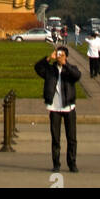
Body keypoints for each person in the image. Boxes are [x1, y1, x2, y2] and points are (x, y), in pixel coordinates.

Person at [34, 45, 81, 173]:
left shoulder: (71, 69)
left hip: (69, 108)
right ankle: (56, 164)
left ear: (66, 56)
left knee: (71, 138)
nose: (60, 57)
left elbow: (77, 76)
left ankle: (72, 163)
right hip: (54, 108)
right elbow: (37, 68)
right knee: (55, 138)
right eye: (58, 54)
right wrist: (49, 58)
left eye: (62, 55)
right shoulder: (50, 70)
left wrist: (65, 65)